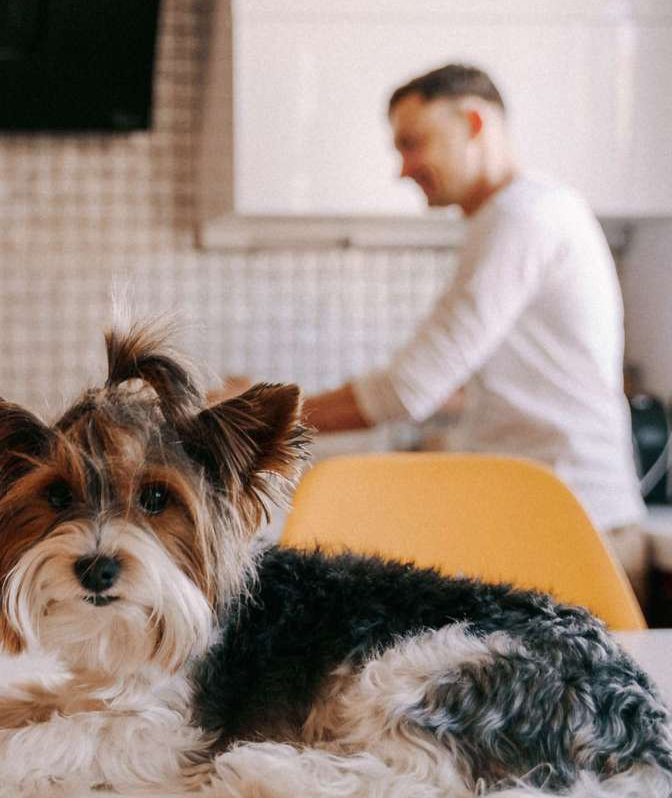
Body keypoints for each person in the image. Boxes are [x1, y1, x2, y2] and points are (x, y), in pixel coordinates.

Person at [250, 63, 649, 596]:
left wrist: (261, 421)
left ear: (475, 123)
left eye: (414, 143)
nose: (403, 168)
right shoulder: (529, 213)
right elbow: (466, 389)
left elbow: (408, 389)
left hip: (570, 528)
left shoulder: (520, 218)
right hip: (557, 520)